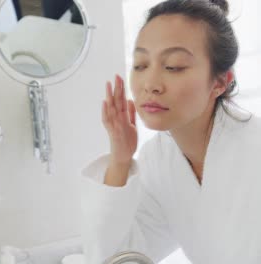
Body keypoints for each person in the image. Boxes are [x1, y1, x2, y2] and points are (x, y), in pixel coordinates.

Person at [81, 0, 261, 263]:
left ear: (220, 82)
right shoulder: (158, 159)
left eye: (173, 66)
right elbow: (120, 257)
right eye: (141, 65)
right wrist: (120, 160)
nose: (150, 84)